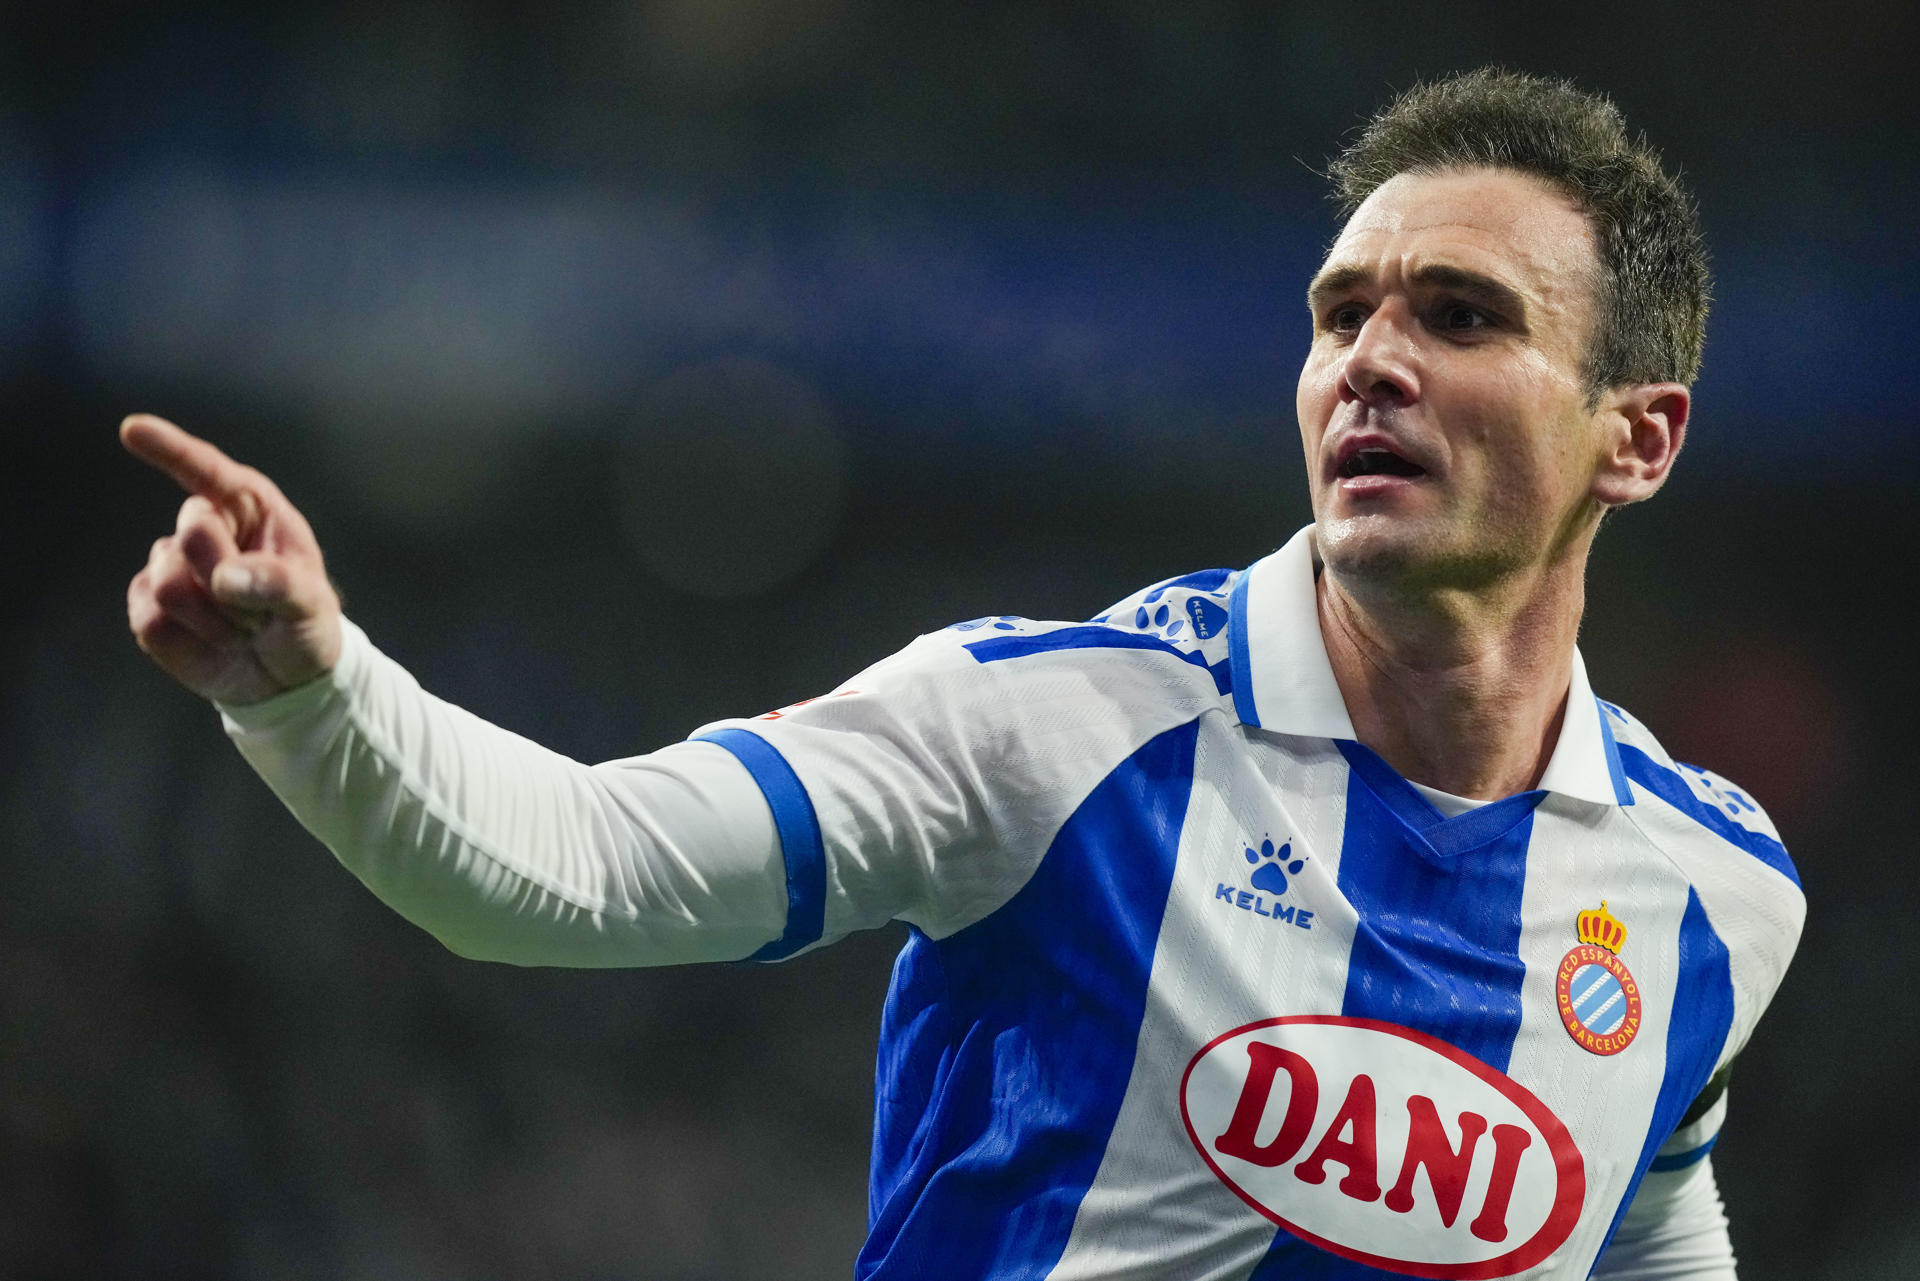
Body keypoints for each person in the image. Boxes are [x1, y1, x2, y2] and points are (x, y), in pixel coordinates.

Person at [124, 68, 1802, 1280]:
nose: (1370, 360)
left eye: (1458, 313)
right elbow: (576, 866)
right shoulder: (1052, 725)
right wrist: (314, 688)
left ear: (1635, 437)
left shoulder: (1716, 889)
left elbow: (1650, 1208)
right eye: (1341, 310)